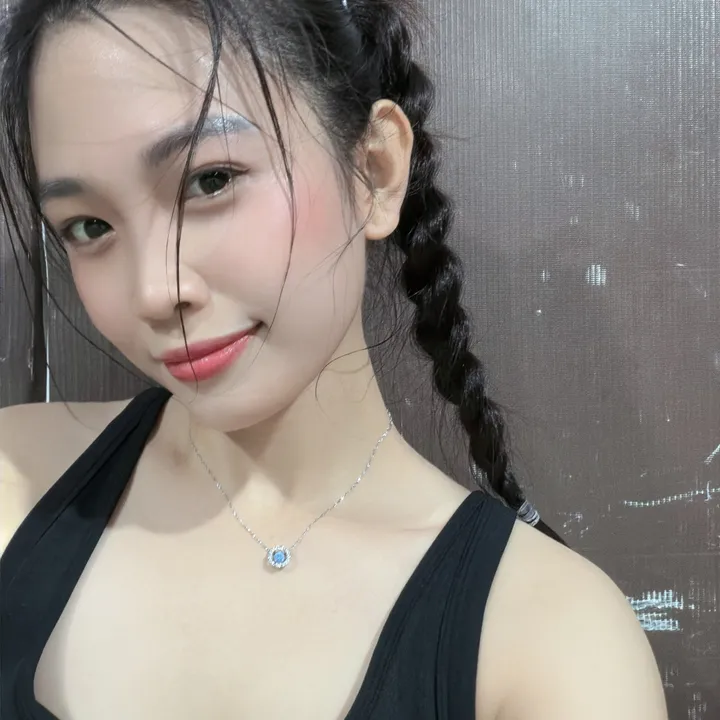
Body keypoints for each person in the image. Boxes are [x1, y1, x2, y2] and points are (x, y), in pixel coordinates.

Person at [0, 1, 667, 718]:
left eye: (211, 181)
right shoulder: (13, 479)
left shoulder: (552, 644)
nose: (154, 291)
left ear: (374, 170)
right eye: (89, 226)